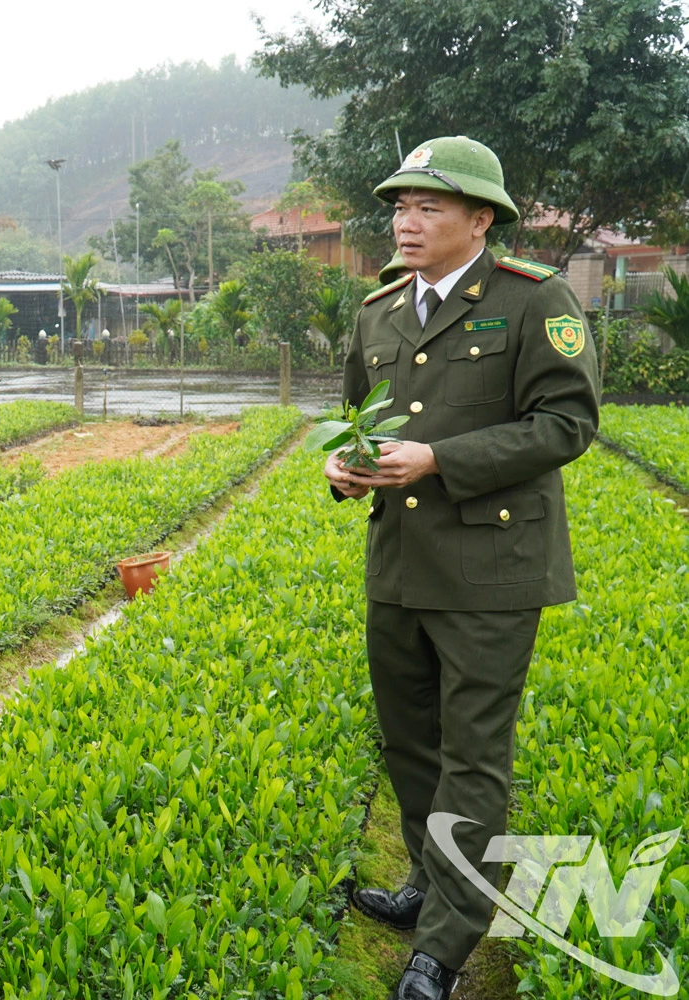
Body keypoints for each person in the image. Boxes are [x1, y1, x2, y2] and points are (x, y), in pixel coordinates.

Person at [325, 136, 599, 1000]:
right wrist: (343, 468)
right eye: (399, 207)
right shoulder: (378, 310)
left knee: (473, 756)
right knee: (410, 742)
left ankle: (443, 944)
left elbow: (566, 425)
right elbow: (356, 419)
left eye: (427, 206)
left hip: (492, 570)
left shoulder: (532, 302)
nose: (405, 222)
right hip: (399, 565)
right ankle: (426, 881)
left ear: (481, 219)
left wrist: (438, 458)